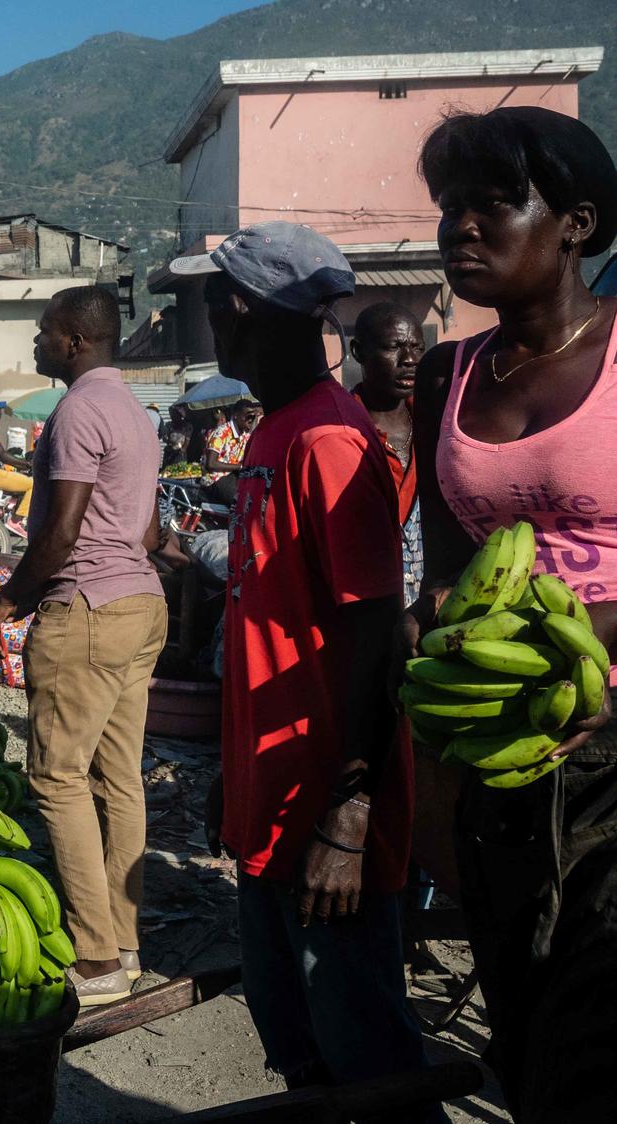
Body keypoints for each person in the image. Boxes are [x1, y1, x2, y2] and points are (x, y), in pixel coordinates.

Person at [177, 223, 435, 1108]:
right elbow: (269, 623)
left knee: (371, 1062)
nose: (211, 322)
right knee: (303, 1054)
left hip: (326, 816)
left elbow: (375, 640)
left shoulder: (328, 443)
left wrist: (352, 815)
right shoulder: (273, 435)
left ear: (244, 313)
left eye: (215, 305)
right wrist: (232, 773)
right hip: (270, 803)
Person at [401, 106, 617, 1123]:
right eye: (450, 205)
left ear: (575, 223)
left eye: (495, 202)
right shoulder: (446, 373)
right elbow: (448, 576)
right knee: (522, 1026)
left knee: (595, 1032)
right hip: (490, 751)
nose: (461, 227)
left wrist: (584, 638)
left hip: (612, 742)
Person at [0, 286, 166, 1006]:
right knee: (117, 778)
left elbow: (59, 533)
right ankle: (123, 944)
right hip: (140, 603)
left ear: (73, 341)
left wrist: (10, 599)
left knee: (57, 778)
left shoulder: (77, 411)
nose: (34, 344)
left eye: (41, 332)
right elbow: (148, 533)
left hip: (87, 607)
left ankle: (94, 962)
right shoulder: (136, 414)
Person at [350, 302, 424, 603]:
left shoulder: (438, 423)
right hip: (362, 608)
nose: (409, 360)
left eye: (417, 348)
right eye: (394, 347)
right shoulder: (337, 431)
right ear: (358, 352)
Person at [200, 399, 261, 504]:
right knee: (243, 503)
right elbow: (211, 464)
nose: (251, 420)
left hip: (232, 476)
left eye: (253, 417)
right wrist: (239, 467)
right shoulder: (221, 433)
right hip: (215, 479)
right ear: (236, 415)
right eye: (248, 416)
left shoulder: (245, 435)